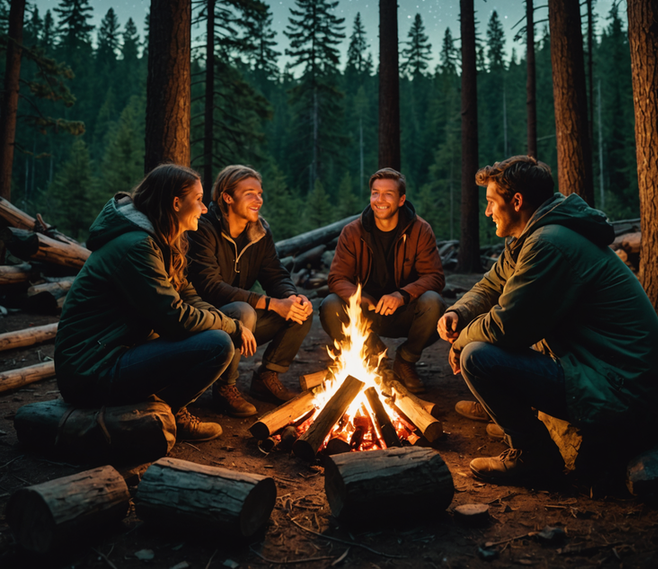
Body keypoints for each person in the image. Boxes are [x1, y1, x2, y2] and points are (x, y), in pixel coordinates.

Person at [438, 155, 658, 485]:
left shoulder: (549, 243)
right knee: (483, 347)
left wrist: (462, 339)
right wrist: (458, 312)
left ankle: (533, 456)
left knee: (477, 357)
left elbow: (507, 327)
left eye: (491, 202)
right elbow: (492, 283)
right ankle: (519, 418)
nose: (488, 211)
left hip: (626, 395)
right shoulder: (534, 235)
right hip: (605, 376)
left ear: (516, 201)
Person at [55, 164, 243, 442]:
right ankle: (169, 413)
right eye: (199, 200)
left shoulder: (160, 239)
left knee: (224, 323)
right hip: (91, 370)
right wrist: (231, 326)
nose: (204, 209)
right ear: (176, 203)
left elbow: (187, 294)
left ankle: (161, 408)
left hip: (116, 352)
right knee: (217, 344)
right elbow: (176, 319)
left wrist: (227, 319)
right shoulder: (137, 246)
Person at [187, 165, 313, 417]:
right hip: (202, 322)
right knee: (243, 311)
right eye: (250, 194)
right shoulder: (203, 229)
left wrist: (290, 296)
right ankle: (225, 389)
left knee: (300, 310)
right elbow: (210, 288)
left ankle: (266, 377)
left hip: (238, 319)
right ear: (227, 197)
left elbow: (274, 273)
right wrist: (271, 303)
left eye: (260, 193)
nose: (259, 200)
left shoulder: (259, 232)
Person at [320, 168, 445, 393]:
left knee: (433, 302)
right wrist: (361, 299)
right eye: (375, 193)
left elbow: (435, 277)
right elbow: (337, 278)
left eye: (388, 194)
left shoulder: (420, 230)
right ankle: (375, 357)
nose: (380, 200)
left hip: (405, 311)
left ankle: (405, 360)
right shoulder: (352, 232)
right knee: (330, 305)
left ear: (401, 200)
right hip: (366, 312)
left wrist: (402, 295)